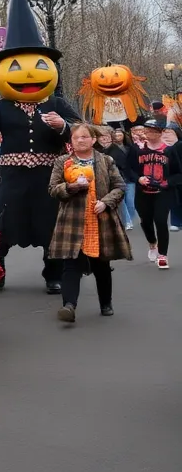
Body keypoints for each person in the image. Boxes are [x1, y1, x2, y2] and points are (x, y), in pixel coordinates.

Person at [0, 0, 80, 292]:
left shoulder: (57, 103)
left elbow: (84, 132)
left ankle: (54, 275)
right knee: (4, 222)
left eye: (39, 64)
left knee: (50, 223)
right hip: (12, 176)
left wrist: (63, 126)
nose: (29, 73)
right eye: (18, 65)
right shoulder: (2, 107)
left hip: (50, 175)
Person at [47, 123, 133, 321]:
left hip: (99, 219)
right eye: (76, 137)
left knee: (101, 265)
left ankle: (106, 303)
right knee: (70, 265)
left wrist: (106, 202)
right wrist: (70, 187)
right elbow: (52, 189)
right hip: (72, 220)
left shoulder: (105, 161)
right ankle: (69, 306)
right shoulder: (63, 162)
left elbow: (119, 187)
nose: (80, 140)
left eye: (84, 137)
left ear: (93, 140)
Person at [128, 117, 172, 268]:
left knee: (160, 221)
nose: (149, 134)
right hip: (143, 192)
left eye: (153, 131)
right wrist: (138, 178)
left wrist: (168, 182)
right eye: (147, 131)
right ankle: (152, 243)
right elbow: (129, 169)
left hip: (162, 192)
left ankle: (162, 255)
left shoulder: (169, 150)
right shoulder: (137, 149)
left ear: (161, 132)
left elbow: (178, 172)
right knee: (146, 222)